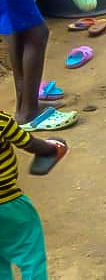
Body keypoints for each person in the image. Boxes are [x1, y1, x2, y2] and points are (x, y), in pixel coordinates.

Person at [0, 109, 68, 279]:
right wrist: (54, 147)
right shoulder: (1, 120)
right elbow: (30, 144)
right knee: (30, 254)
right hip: (9, 204)